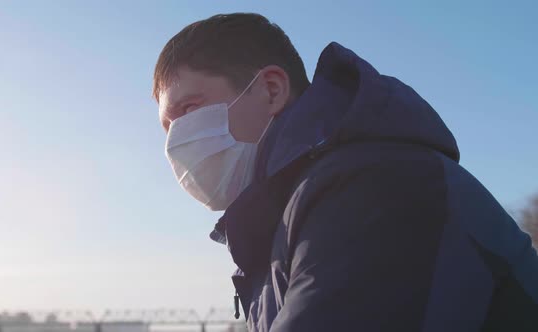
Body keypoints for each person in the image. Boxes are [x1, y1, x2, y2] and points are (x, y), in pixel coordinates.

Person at [152, 13, 538, 331]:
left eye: (188, 110)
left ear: (271, 90)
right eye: (168, 128)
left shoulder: (375, 185)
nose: (176, 143)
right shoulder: (291, 218)